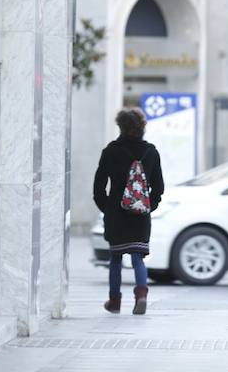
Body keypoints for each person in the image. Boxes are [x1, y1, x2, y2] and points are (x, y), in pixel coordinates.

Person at [93, 108, 164, 315]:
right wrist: (149, 206)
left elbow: (99, 185)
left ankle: (114, 302)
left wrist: (106, 208)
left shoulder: (111, 150)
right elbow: (158, 187)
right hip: (140, 214)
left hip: (116, 213)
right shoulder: (151, 151)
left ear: (120, 127)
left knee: (115, 258)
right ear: (142, 127)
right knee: (137, 257)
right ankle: (141, 295)